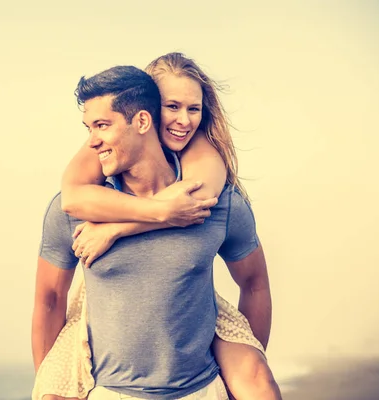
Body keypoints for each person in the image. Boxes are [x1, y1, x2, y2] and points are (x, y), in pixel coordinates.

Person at [32, 60, 281, 400]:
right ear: (149, 111)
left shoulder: (210, 197)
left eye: (192, 109)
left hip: (201, 389)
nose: (182, 120)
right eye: (172, 106)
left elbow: (254, 283)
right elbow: (49, 298)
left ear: (142, 119)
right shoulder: (77, 206)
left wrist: (242, 370)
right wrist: (50, 383)